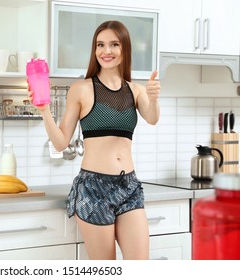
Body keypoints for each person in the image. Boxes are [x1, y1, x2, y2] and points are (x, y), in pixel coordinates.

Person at [28, 20, 160, 260]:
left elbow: (152, 118)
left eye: (113, 44)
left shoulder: (136, 90)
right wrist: (45, 111)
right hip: (93, 189)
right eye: (100, 45)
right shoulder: (81, 89)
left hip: (129, 187)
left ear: (125, 49)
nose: (105, 51)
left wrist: (153, 97)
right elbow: (60, 143)